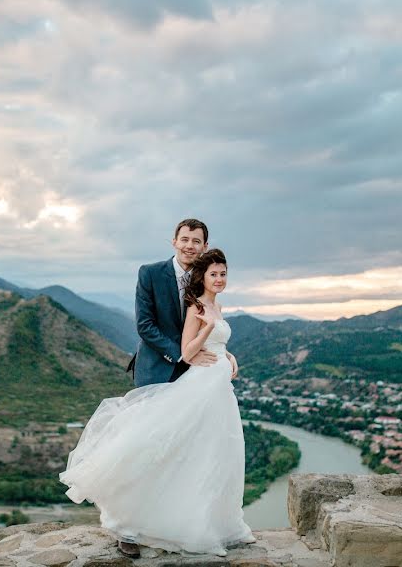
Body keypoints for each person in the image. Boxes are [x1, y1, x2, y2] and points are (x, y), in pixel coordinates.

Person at [59, 248, 255, 557]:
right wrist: (205, 329)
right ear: (202, 276)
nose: (219, 279)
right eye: (214, 274)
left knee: (216, 453)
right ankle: (140, 521)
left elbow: (220, 343)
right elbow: (188, 352)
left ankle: (221, 524)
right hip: (201, 386)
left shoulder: (218, 304)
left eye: (223, 274)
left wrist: (229, 356)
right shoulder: (197, 307)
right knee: (174, 450)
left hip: (219, 389)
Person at [128, 218, 216, 388]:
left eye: (196, 241)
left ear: (205, 246)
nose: (189, 246)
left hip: (194, 373)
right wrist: (183, 355)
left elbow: (209, 324)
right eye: (184, 239)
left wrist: (226, 356)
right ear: (174, 242)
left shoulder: (206, 279)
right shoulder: (150, 273)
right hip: (155, 370)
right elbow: (144, 325)